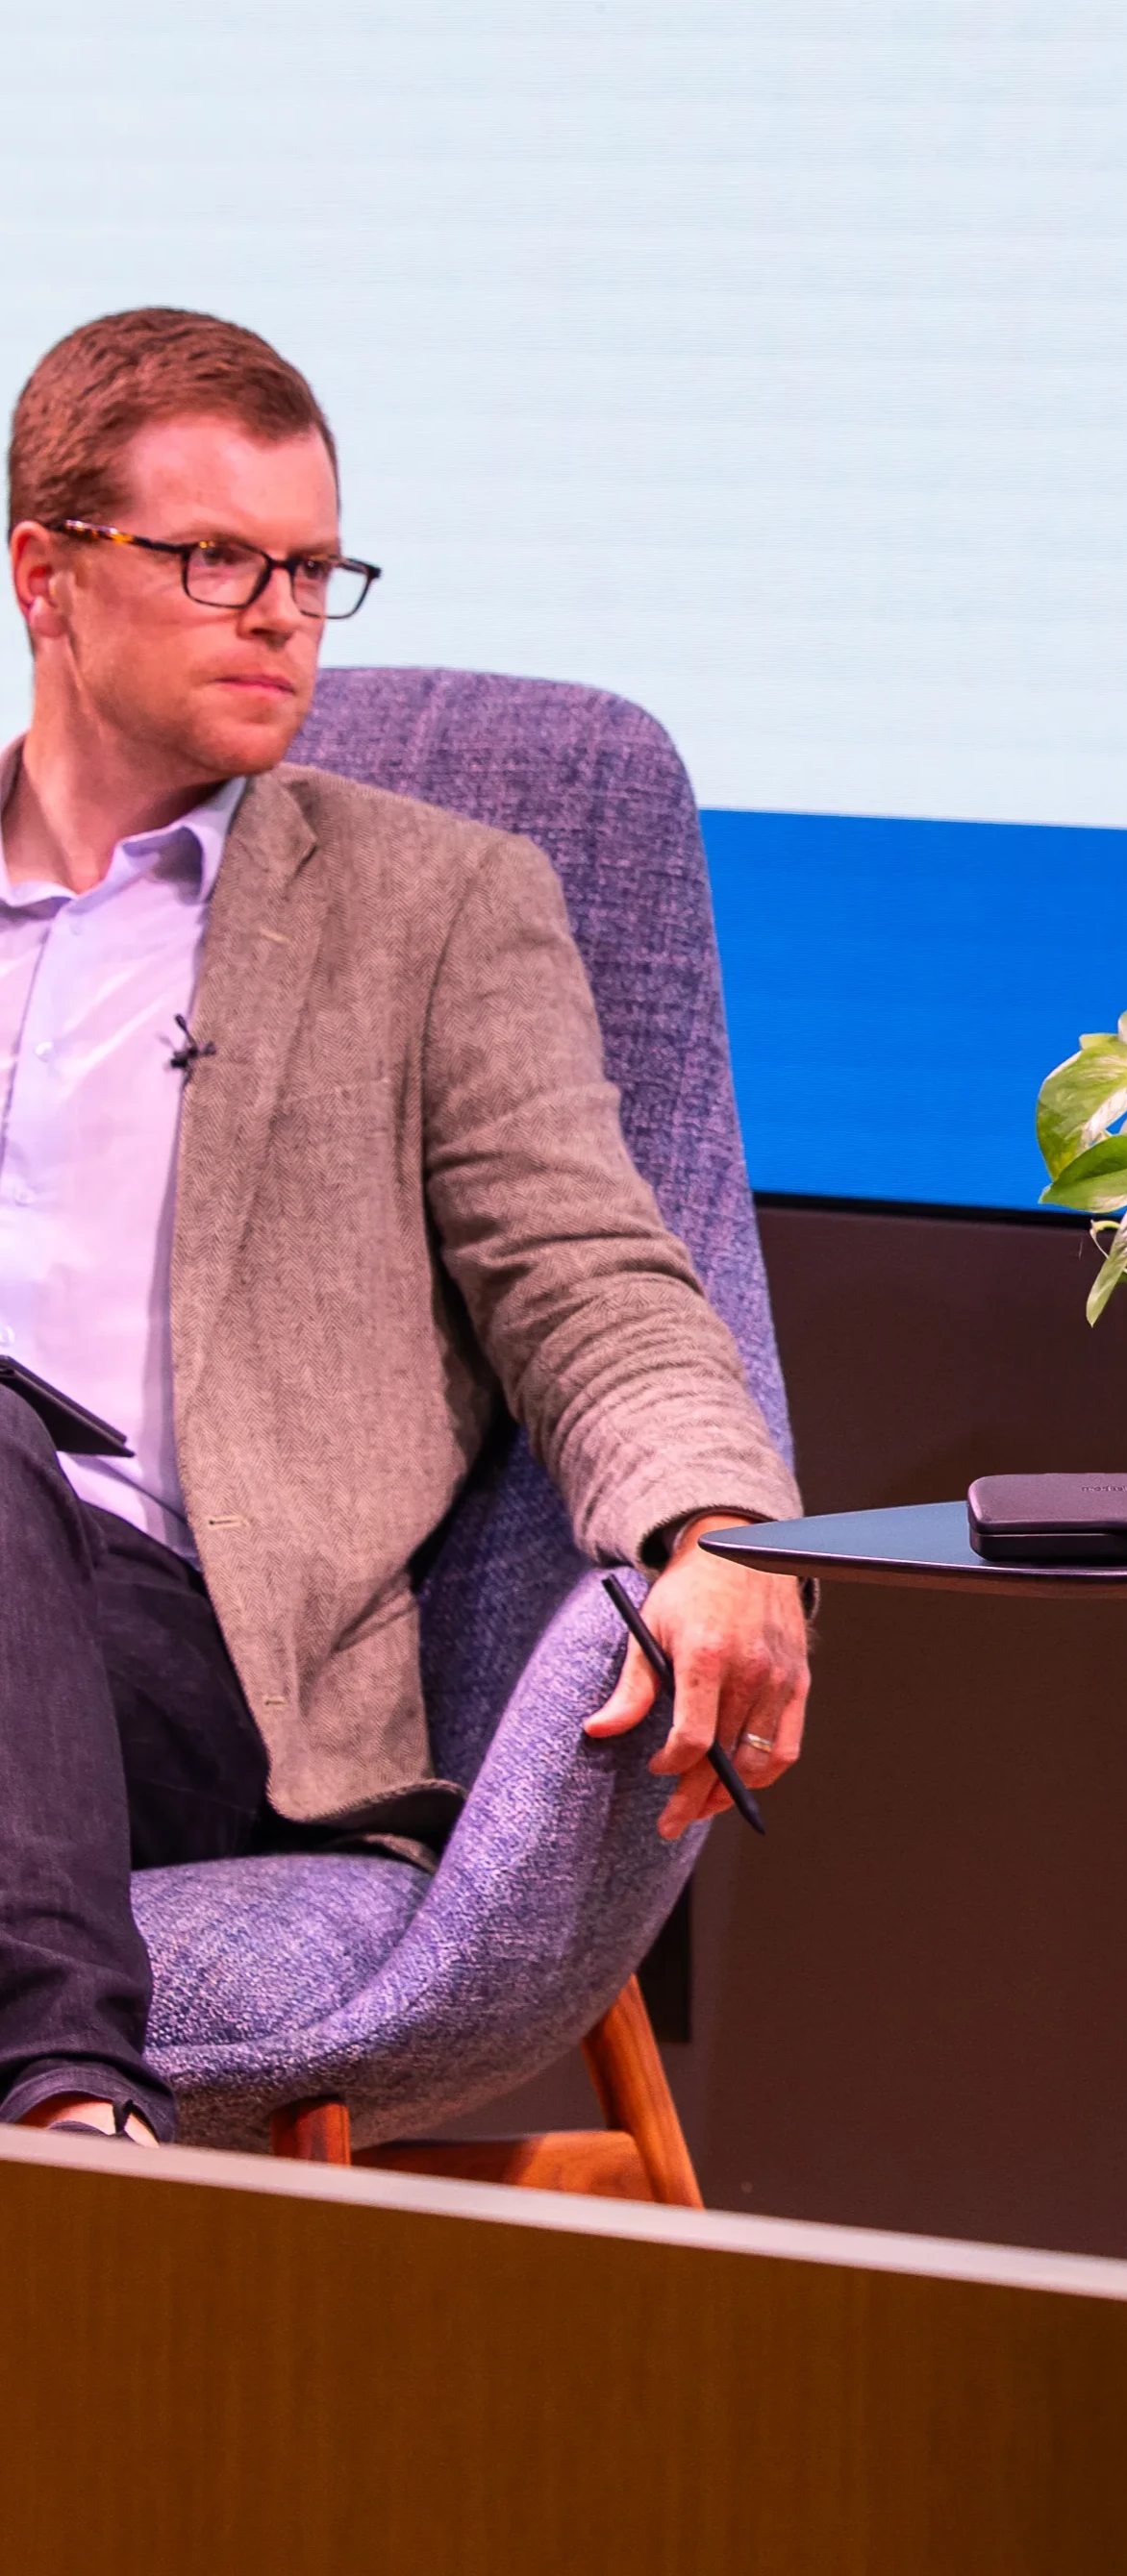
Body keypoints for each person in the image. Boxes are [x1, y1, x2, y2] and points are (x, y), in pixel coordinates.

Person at [0, 308, 809, 2145]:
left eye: (310, 569)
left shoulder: (428, 911)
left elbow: (590, 1279)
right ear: (45, 574)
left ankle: (61, 2115)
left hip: (196, 1659)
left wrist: (721, 1528)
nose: (280, 616)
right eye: (216, 561)